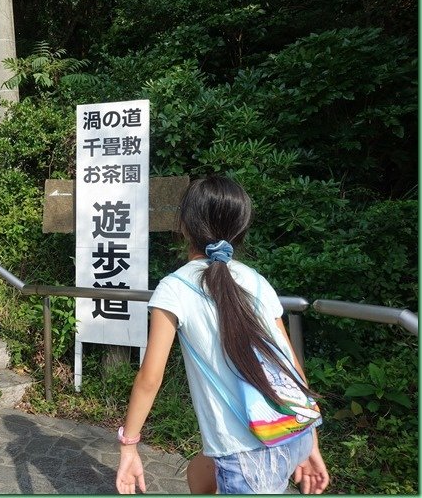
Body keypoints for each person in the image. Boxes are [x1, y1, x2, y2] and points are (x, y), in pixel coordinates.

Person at [115, 176, 329, 495]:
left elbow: (150, 377)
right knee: (200, 472)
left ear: (185, 226)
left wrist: (129, 446)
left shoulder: (175, 287)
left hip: (246, 459)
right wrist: (309, 438)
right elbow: (290, 363)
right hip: (291, 431)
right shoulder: (255, 280)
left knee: (222, 463)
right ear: (239, 229)